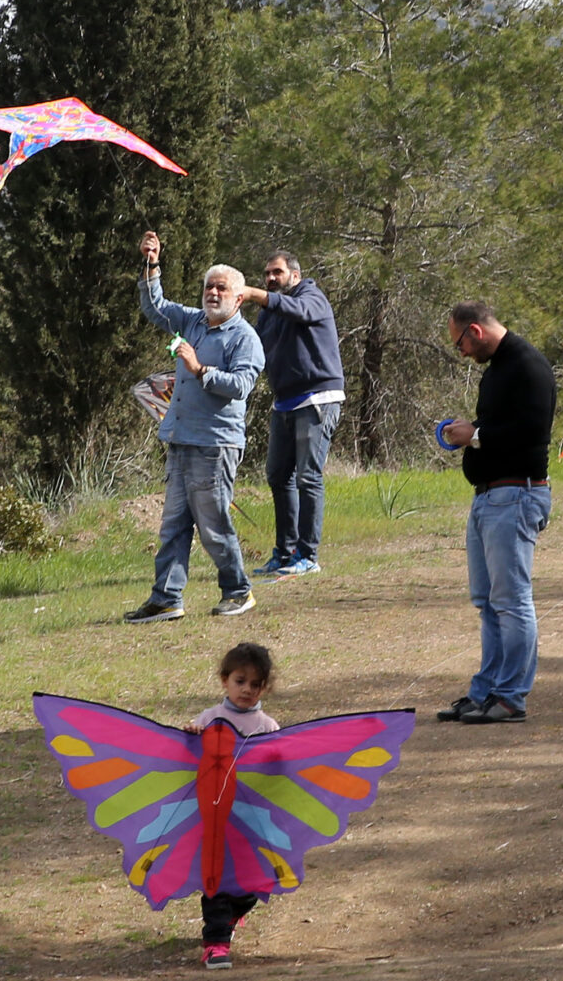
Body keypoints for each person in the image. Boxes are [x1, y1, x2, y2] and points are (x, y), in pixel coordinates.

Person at [123, 232, 265, 624]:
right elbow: (156, 308)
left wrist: (200, 371)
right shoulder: (193, 321)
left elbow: (239, 387)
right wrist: (152, 261)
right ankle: (167, 599)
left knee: (213, 526)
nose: (213, 293)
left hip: (215, 446)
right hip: (181, 440)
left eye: (222, 288)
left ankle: (238, 591)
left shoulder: (246, 339)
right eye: (208, 287)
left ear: (239, 299)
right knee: (172, 526)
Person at [435, 301, 556, 726]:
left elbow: (532, 433)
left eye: (460, 343)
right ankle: (485, 691)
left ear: (475, 330)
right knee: (488, 602)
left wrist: (478, 435)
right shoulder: (498, 371)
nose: (461, 352)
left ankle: (510, 697)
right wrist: (469, 432)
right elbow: (502, 425)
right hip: (489, 499)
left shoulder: (527, 365)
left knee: (511, 601)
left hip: (516, 497)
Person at [237, 252, 344, 577]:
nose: (270, 277)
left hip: (317, 398)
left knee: (307, 476)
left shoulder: (311, 296)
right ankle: (284, 553)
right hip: (284, 401)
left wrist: (256, 294)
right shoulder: (268, 315)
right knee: (277, 476)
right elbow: (253, 349)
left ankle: (307, 556)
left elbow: (299, 311)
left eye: (277, 272)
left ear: (294, 276)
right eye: (267, 273)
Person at [181, 641, 279, 970]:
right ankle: (216, 942)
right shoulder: (211, 717)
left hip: (250, 823)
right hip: (214, 819)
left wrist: (277, 755)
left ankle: (234, 914)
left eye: (255, 684)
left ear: (265, 687)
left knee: (252, 880)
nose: (247, 690)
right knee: (216, 878)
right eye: (240, 681)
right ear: (225, 680)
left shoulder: (267, 726)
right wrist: (194, 734)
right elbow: (189, 754)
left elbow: (279, 772)